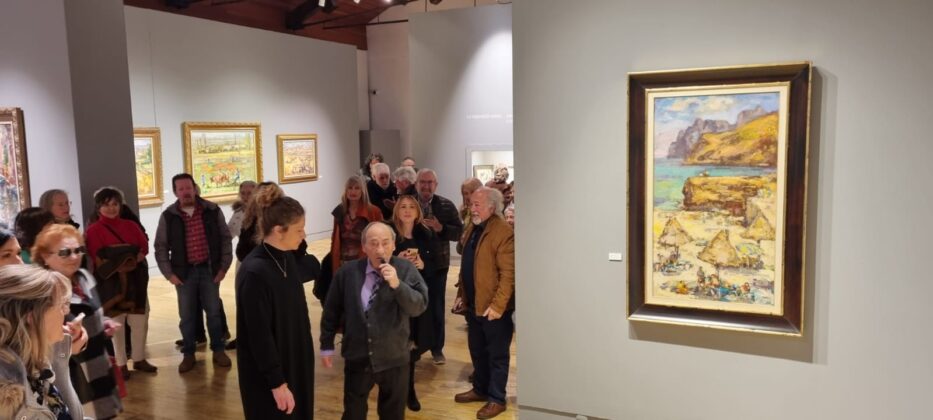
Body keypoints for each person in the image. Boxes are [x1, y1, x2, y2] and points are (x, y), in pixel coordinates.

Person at [320, 222, 428, 420]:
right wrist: (326, 345)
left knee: (393, 414)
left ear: (394, 245)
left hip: (394, 357)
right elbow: (331, 310)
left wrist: (398, 285)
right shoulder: (347, 272)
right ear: (364, 247)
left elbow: (418, 307)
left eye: (385, 243)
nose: (380, 249)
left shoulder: (405, 269)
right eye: (373, 243)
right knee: (353, 412)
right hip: (357, 356)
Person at [236, 186, 314, 419]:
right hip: (269, 376)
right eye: (299, 229)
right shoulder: (254, 272)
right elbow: (258, 335)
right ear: (279, 230)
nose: (304, 235)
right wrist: (277, 382)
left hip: (296, 360)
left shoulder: (287, 258)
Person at [33, 224, 123, 419]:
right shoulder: (42, 290)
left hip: (98, 365)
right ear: (45, 257)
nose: (74, 257)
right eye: (65, 252)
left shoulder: (84, 277)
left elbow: (92, 311)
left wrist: (103, 322)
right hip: (72, 374)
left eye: (78, 250)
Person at [154, 173, 233, 373]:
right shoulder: (169, 216)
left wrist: (223, 267)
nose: (185, 192)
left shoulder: (212, 210)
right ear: (175, 192)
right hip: (184, 274)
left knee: (213, 313)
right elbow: (160, 246)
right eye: (181, 189)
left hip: (209, 270)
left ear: (194, 188)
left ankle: (218, 350)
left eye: (188, 187)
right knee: (187, 316)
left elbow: (225, 238)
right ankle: (188, 353)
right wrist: (169, 274)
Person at [454, 187, 515, 419]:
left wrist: (498, 306)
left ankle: (497, 399)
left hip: (493, 308)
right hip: (474, 304)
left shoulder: (503, 231)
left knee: (497, 355)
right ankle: (480, 389)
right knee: (477, 351)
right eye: (471, 204)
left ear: (492, 206)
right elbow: (468, 264)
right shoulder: (474, 226)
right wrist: (462, 293)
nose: (472, 208)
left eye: (477, 204)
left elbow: (508, 274)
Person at [84, 187, 158, 376]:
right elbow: (99, 257)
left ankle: (139, 359)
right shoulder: (93, 230)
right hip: (110, 283)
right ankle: (121, 364)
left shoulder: (131, 225)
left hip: (136, 280)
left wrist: (125, 256)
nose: (111, 208)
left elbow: (143, 247)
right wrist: (127, 256)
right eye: (106, 205)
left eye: (115, 204)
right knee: (116, 324)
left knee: (139, 321)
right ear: (98, 207)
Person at [0, 264, 74, 420]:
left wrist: (60, 358)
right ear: (32, 317)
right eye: (62, 305)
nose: (67, 312)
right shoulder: (6, 399)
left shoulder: (36, 364)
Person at [389, 195, 439, 412]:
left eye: (411, 207)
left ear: (418, 212)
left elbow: (435, 267)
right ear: (396, 211)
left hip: (416, 298)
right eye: (403, 207)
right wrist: (396, 260)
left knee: (411, 346)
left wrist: (422, 264)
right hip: (394, 300)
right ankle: (398, 388)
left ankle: (408, 389)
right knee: (397, 344)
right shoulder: (389, 234)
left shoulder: (426, 234)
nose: (407, 210)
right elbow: (377, 262)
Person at [415, 169, 463, 364]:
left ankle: (437, 349)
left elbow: (459, 232)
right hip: (414, 265)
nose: (426, 186)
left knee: (436, 307)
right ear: (416, 183)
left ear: (436, 185)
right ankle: (416, 347)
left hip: (438, 265)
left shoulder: (446, 205)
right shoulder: (408, 204)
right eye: (422, 182)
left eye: (430, 182)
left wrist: (440, 228)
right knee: (414, 307)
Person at [328, 175, 383, 276]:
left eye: (357, 188)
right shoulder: (340, 211)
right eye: (350, 188)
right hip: (342, 261)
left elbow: (381, 238)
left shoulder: (373, 212)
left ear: (363, 191)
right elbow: (335, 238)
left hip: (365, 260)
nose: (353, 191)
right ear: (346, 190)